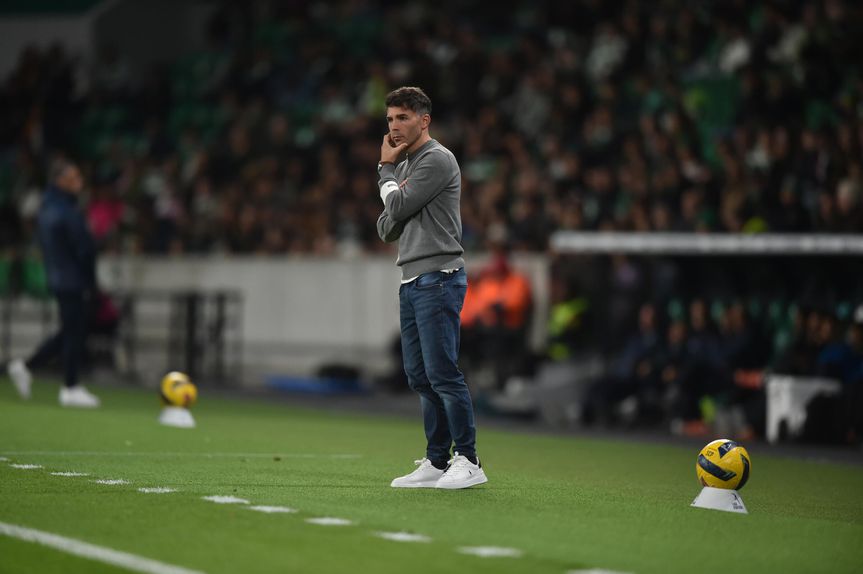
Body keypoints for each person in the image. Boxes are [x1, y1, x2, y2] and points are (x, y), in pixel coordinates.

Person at [376, 86, 486, 489]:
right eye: (390, 119)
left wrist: (386, 174)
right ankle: (437, 461)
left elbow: (397, 210)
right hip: (411, 280)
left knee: (443, 373)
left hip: (438, 277)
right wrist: (395, 194)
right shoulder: (406, 166)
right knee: (419, 375)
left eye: (402, 117)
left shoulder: (436, 159)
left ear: (424, 120)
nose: (394, 126)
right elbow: (386, 227)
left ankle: (469, 459)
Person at [7, 159, 101, 408]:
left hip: (59, 276)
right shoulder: (65, 209)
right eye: (74, 177)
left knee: (72, 329)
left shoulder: (49, 207)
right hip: (72, 278)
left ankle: (27, 366)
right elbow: (83, 248)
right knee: (74, 331)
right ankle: (70, 386)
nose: (79, 182)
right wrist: (91, 280)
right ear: (60, 180)